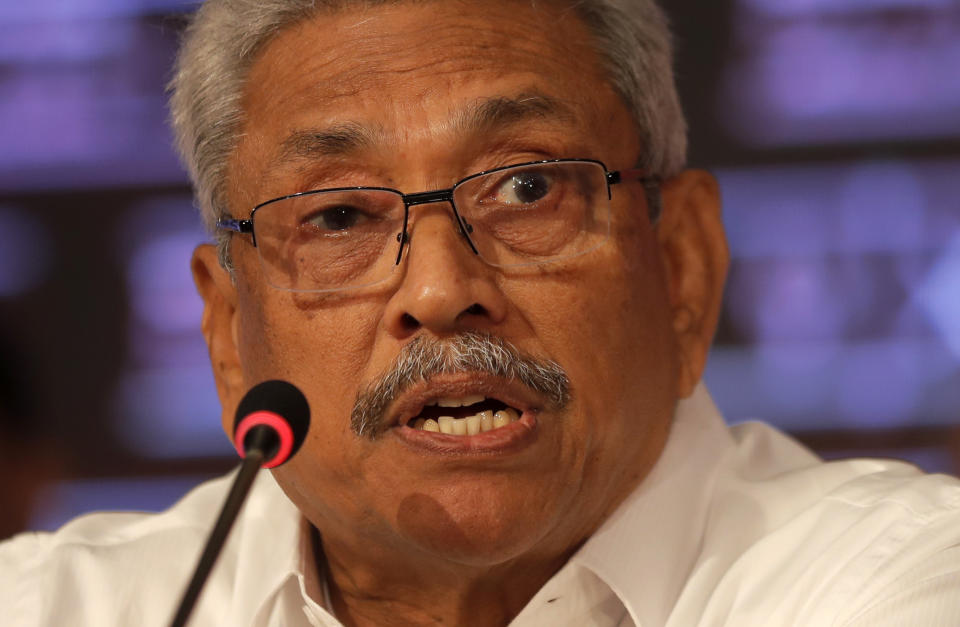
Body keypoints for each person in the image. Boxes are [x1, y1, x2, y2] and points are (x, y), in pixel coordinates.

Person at [2, 0, 959, 625]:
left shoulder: (895, 581)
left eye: (529, 187)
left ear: (683, 269)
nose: (439, 289)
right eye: (338, 214)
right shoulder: (53, 607)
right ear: (227, 341)